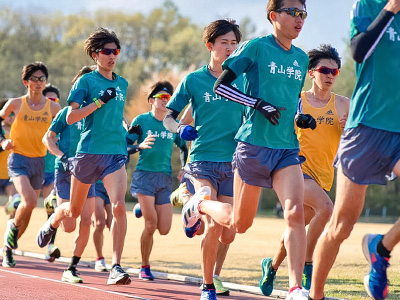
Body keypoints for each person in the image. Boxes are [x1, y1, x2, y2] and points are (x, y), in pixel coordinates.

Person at [180, 1, 315, 299]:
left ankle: (295, 288)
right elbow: (221, 86)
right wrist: (257, 104)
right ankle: (200, 205)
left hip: (286, 148)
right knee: (238, 225)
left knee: (294, 214)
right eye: (292, 12)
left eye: (302, 13)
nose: (298, 18)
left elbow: (292, 100)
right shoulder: (255, 48)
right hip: (253, 146)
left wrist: (299, 117)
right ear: (273, 16)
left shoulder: (302, 59)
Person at [309, 1, 400, 300]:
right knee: (341, 226)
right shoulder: (369, 5)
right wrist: (389, 10)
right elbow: (359, 51)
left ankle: (381, 247)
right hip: (367, 127)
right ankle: (315, 295)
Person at [36, 27, 131, 285]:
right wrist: (98, 102)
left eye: (116, 51)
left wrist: (128, 133)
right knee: (74, 212)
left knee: (119, 206)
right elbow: (70, 116)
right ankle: (53, 220)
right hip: (88, 154)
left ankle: (116, 267)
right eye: (107, 51)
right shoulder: (86, 82)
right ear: (95, 54)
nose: (112, 56)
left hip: (114, 155)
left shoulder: (122, 83)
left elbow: (115, 118)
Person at [259, 44, 349, 296]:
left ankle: (272, 265)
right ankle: (308, 264)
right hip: (294, 168)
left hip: (323, 174)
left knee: (296, 224)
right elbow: (276, 130)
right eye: (324, 70)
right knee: (327, 209)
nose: (330, 75)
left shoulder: (343, 105)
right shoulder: (295, 100)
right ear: (311, 72)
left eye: (335, 72)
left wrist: (349, 129)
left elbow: (356, 139)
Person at [164, 19, 244, 300]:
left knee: (229, 231)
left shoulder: (244, 79)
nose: (230, 48)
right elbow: (168, 117)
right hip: (202, 160)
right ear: (210, 46)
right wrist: (181, 128)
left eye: (234, 43)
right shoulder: (194, 80)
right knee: (212, 223)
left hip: (234, 162)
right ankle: (207, 285)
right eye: (224, 43)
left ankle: (191, 206)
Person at [0, 62, 61, 268]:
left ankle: (9, 247)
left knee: (29, 209)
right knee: (28, 201)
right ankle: (10, 235)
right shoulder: (15, 104)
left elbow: (63, 128)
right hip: (18, 160)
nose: (38, 82)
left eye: (42, 79)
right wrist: (3, 141)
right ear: (26, 82)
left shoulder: (53, 107)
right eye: (34, 79)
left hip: (39, 161)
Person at [127, 81, 187, 281]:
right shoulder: (141, 121)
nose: (165, 101)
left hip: (164, 178)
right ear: (151, 100)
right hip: (144, 175)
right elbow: (125, 145)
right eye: (161, 97)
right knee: (151, 224)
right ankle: (144, 266)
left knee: (164, 229)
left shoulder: (172, 123)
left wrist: (185, 167)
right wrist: (139, 146)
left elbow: (183, 146)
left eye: (168, 98)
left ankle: (142, 208)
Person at [42, 104, 96, 283]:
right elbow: (47, 138)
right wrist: (62, 156)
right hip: (65, 171)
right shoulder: (66, 113)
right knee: (69, 226)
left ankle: (72, 267)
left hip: (88, 171)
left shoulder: (99, 113)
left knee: (87, 220)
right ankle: (55, 213)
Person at [42, 83, 62, 263]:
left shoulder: (63, 121)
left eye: (54, 100)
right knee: (22, 207)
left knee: (52, 209)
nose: (51, 104)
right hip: (32, 168)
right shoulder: (36, 120)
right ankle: (9, 245)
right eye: (47, 100)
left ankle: (50, 247)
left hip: (51, 171)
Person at [0, 99, 21, 219]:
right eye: (9, 114)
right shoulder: (1, 131)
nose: (11, 117)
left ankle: (10, 227)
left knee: (15, 202)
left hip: (10, 175)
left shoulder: (17, 130)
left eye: (14, 113)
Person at [92, 180, 112, 272]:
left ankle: (116, 262)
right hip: (96, 185)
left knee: (112, 223)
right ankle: (99, 259)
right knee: (100, 223)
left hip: (112, 183)